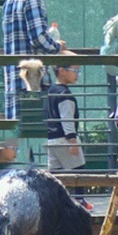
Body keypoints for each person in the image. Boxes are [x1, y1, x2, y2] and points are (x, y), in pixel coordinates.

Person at [1, 0, 66, 121]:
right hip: (32, 80)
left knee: (17, 130)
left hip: (13, 76)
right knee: (37, 130)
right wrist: (58, 47)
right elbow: (38, 39)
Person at [46, 61, 92, 210]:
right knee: (79, 169)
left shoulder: (50, 91)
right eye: (74, 70)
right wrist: (73, 141)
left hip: (51, 139)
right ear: (62, 71)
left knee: (55, 172)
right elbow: (67, 119)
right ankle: (80, 200)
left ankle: (53, 201)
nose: (77, 75)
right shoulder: (65, 95)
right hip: (65, 138)